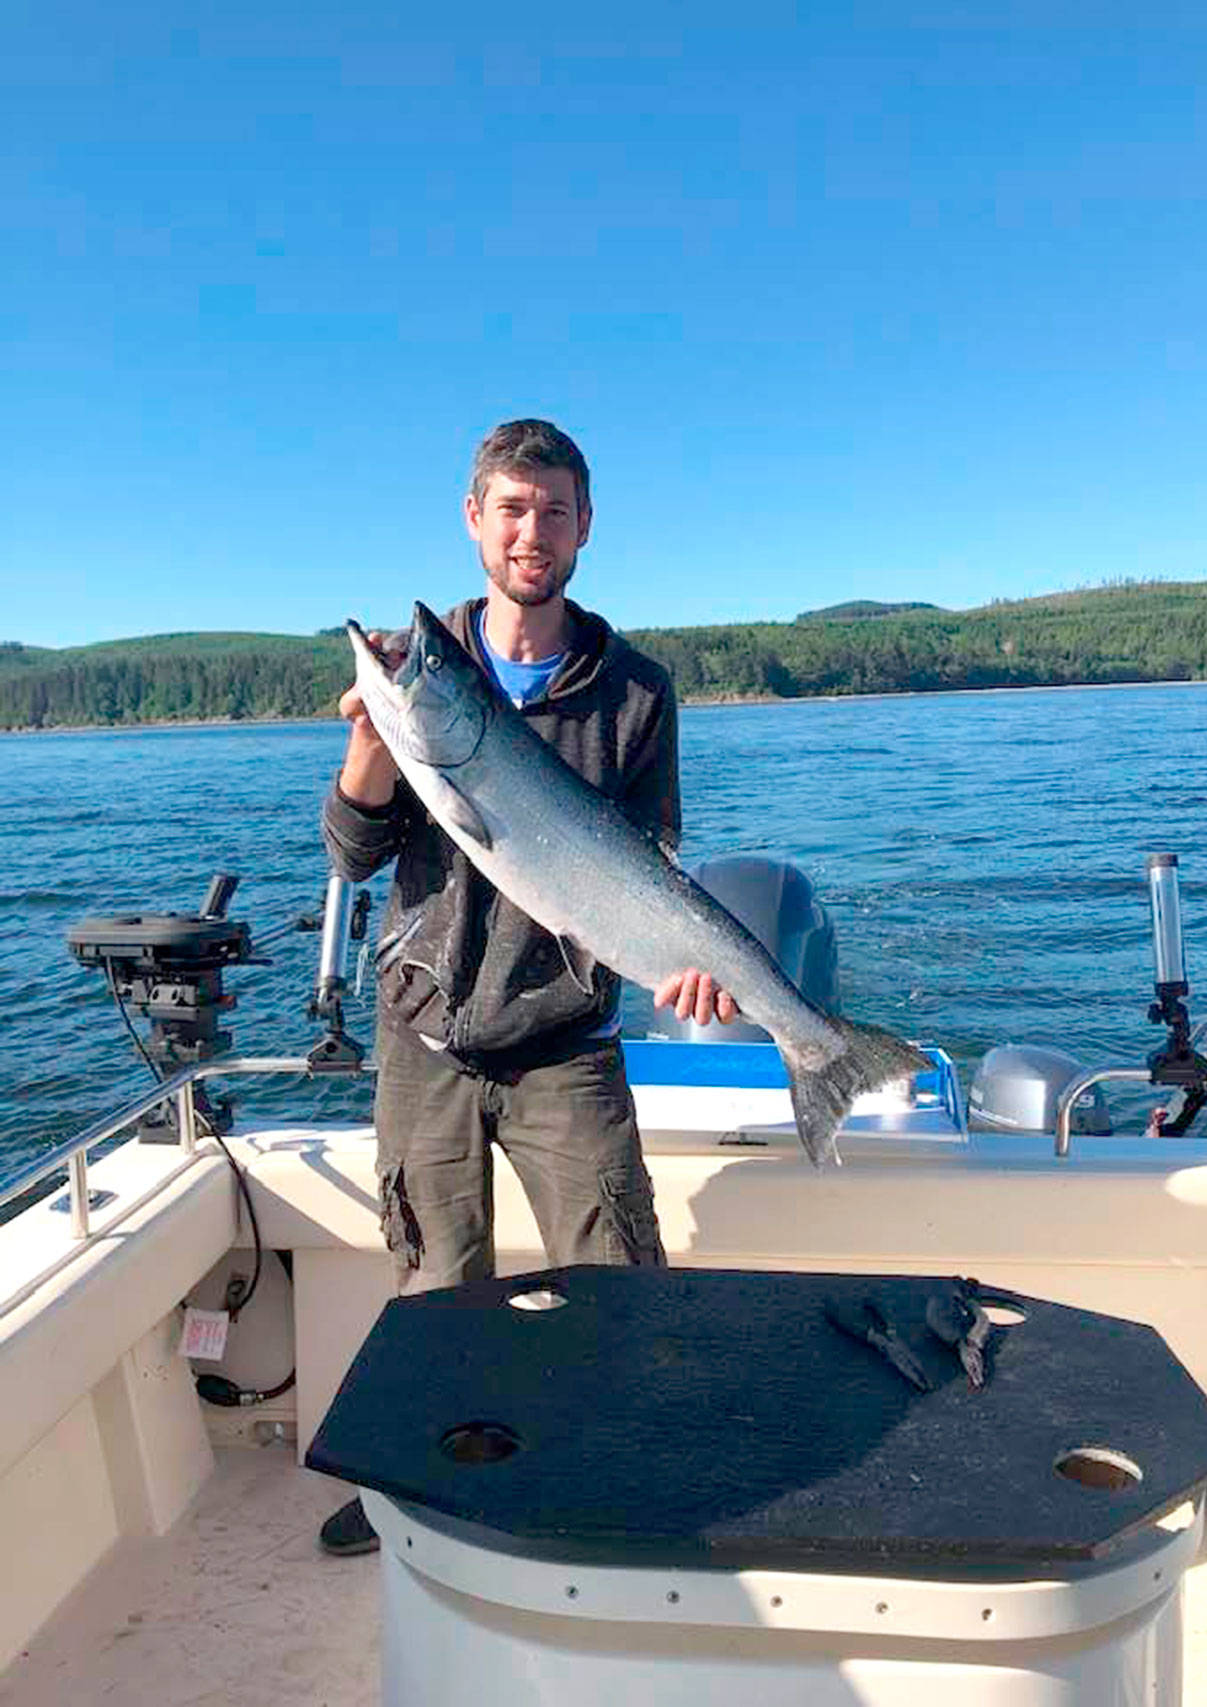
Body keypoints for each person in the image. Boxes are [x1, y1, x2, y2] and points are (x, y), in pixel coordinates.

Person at [318, 418, 736, 1554]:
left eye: (552, 509)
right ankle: (420, 1485)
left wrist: (681, 971)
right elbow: (355, 857)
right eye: (510, 508)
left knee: (612, 1275)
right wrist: (371, 749)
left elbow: (647, 863)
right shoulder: (426, 676)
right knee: (434, 1281)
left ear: (584, 526)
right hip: (425, 1037)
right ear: (474, 519)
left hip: (564, 1041)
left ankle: (625, 1475)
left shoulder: (636, 692)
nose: (530, 531)